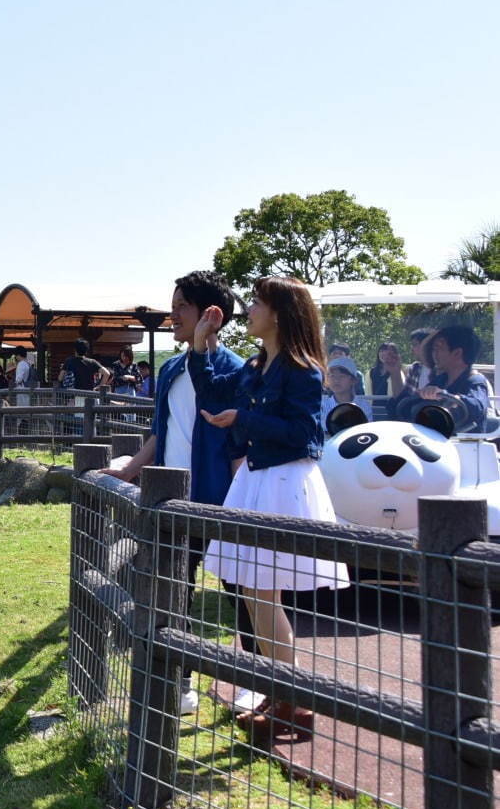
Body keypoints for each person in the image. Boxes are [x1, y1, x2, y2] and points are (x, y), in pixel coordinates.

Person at [191, 275, 349, 738]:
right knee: (255, 594)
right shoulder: (258, 366)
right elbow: (216, 393)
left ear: (279, 313)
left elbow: (306, 436)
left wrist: (245, 418)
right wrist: (203, 346)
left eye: (258, 303)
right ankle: (287, 694)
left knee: (262, 594)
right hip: (260, 478)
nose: (250, 311)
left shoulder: (302, 370)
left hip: (283, 481)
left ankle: (292, 696)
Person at [103, 270, 249, 714]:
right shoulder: (169, 369)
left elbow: (241, 444)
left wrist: (243, 500)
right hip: (170, 498)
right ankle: (179, 682)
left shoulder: (234, 370)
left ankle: (254, 679)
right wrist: (129, 471)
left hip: (220, 499)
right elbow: (160, 434)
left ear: (211, 314)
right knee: (174, 590)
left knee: (241, 591)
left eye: (181, 307)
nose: (172, 316)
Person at [392, 325, 491, 433]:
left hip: (468, 446)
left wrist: (445, 396)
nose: (434, 353)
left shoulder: (476, 380)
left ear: (457, 353)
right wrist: (417, 396)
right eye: (433, 349)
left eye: (438, 348)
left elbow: (477, 406)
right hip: (439, 443)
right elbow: (405, 405)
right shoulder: (441, 380)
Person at [319, 357, 373, 427]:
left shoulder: (364, 406)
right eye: (332, 376)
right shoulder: (322, 406)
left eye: (341, 376)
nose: (336, 380)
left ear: (353, 380)